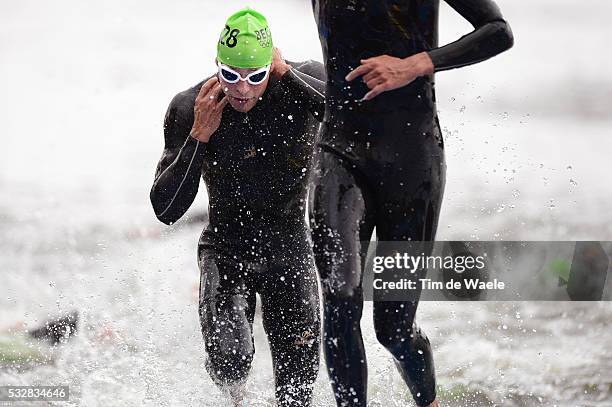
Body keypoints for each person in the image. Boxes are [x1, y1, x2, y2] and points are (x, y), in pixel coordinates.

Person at [308, 1, 514, 406]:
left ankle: (429, 402)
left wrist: (416, 64)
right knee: (339, 297)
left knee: (394, 329)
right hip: (339, 151)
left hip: (411, 164)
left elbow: (498, 32)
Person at [149, 8, 326, 406]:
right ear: (217, 65)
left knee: (297, 389)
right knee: (228, 362)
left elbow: (354, 121)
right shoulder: (189, 107)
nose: (241, 89)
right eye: (230, 75)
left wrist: (289, 78)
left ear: (272, 66)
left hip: (290, 248)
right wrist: (199, 136)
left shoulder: (300, 85)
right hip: (227, 249)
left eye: (254, 76)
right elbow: (166, 210)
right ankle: (238, 399)